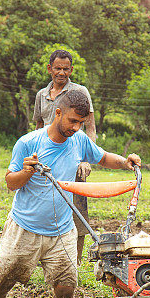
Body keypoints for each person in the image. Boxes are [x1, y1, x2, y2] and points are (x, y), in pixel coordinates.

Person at [0, 90, 140, 298]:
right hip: (25, 228)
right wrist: (27, 172)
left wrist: (124, 162)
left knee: (66, 286)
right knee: (3, 282)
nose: (76, 127)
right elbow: (10, 182)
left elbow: (103, 157)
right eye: (72, 121)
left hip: (61, 230)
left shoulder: (79, 141)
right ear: (57, 113)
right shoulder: (28, 143)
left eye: (81, 122)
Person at [33, 49, 96, 263]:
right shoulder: (41, 95)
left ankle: (74, 261)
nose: (61, 73)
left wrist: (86, 159)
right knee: (44, 205)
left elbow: (90, 128)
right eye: (57, 68)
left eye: (66, 69)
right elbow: (38, 128)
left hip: (73, 159)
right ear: (49, 69)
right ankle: (44, 257)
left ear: (71, 70)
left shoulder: (80, 92)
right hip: (47, 161)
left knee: (77, 210)